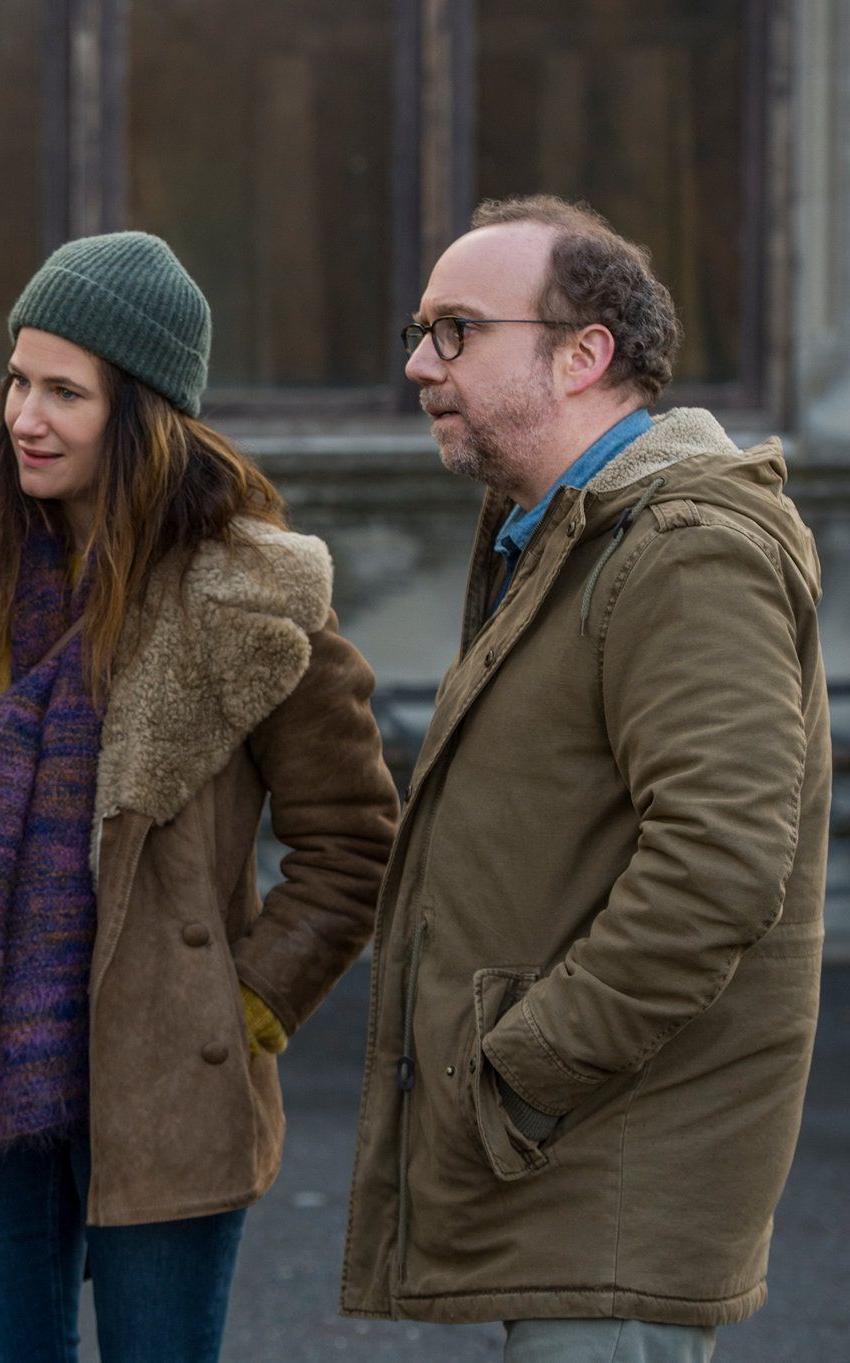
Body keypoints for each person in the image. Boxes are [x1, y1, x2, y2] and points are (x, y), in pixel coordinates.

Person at [0, 231, 400, 1363]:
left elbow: (354, 841)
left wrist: (242, 1004)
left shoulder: (247, 596)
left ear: (143, 412)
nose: (24, 417)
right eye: (17, 381)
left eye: (66, 392)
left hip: (165, 1072)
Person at [341, 196, 827, 1363]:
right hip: (566, 1178)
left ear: (581, 354)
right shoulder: (559, 536)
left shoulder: (684, 553)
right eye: (419, 331)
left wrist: (525, 1069)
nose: (418, 364)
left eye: (455, 331)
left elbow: (716, 867)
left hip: (609, 1186)